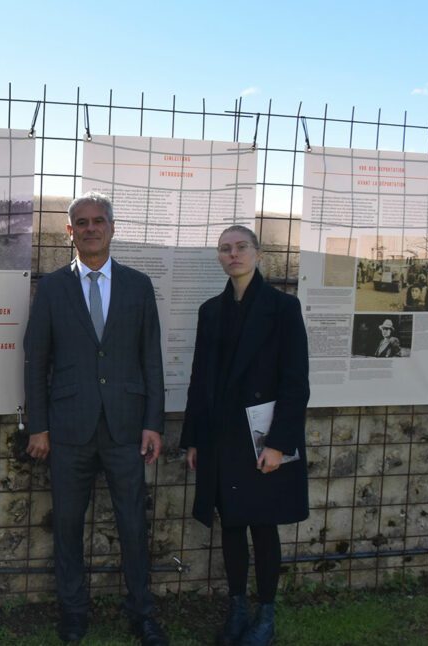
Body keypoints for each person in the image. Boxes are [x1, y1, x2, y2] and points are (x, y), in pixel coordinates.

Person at [23, 192, 167, 646]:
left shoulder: (138, 285)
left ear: (111, 227)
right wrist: (38, 426)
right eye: (80, 223)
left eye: (98, 221)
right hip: (68, 430)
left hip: (126, 428)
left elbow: (152, 360)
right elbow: (35, 360)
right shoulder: (51, 288)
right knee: (66, 526)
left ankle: (142, 613)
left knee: (133, 526)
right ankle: (73, 613)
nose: (90, 228)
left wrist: (153, 422)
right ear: (70, 231)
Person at [181, 225, 310, 646]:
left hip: (262, 439)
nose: (233, 254)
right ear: (219, 256)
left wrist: (279, 444)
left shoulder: (283, 308)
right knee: (232, 525)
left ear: (257, 252)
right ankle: (237, 609)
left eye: (240, 247)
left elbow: (296, 383)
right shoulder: (210, 311)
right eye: (225, 249)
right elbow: (200, 381)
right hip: (221, 437)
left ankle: (265, 615)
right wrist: (195, 439)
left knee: (264, 526)